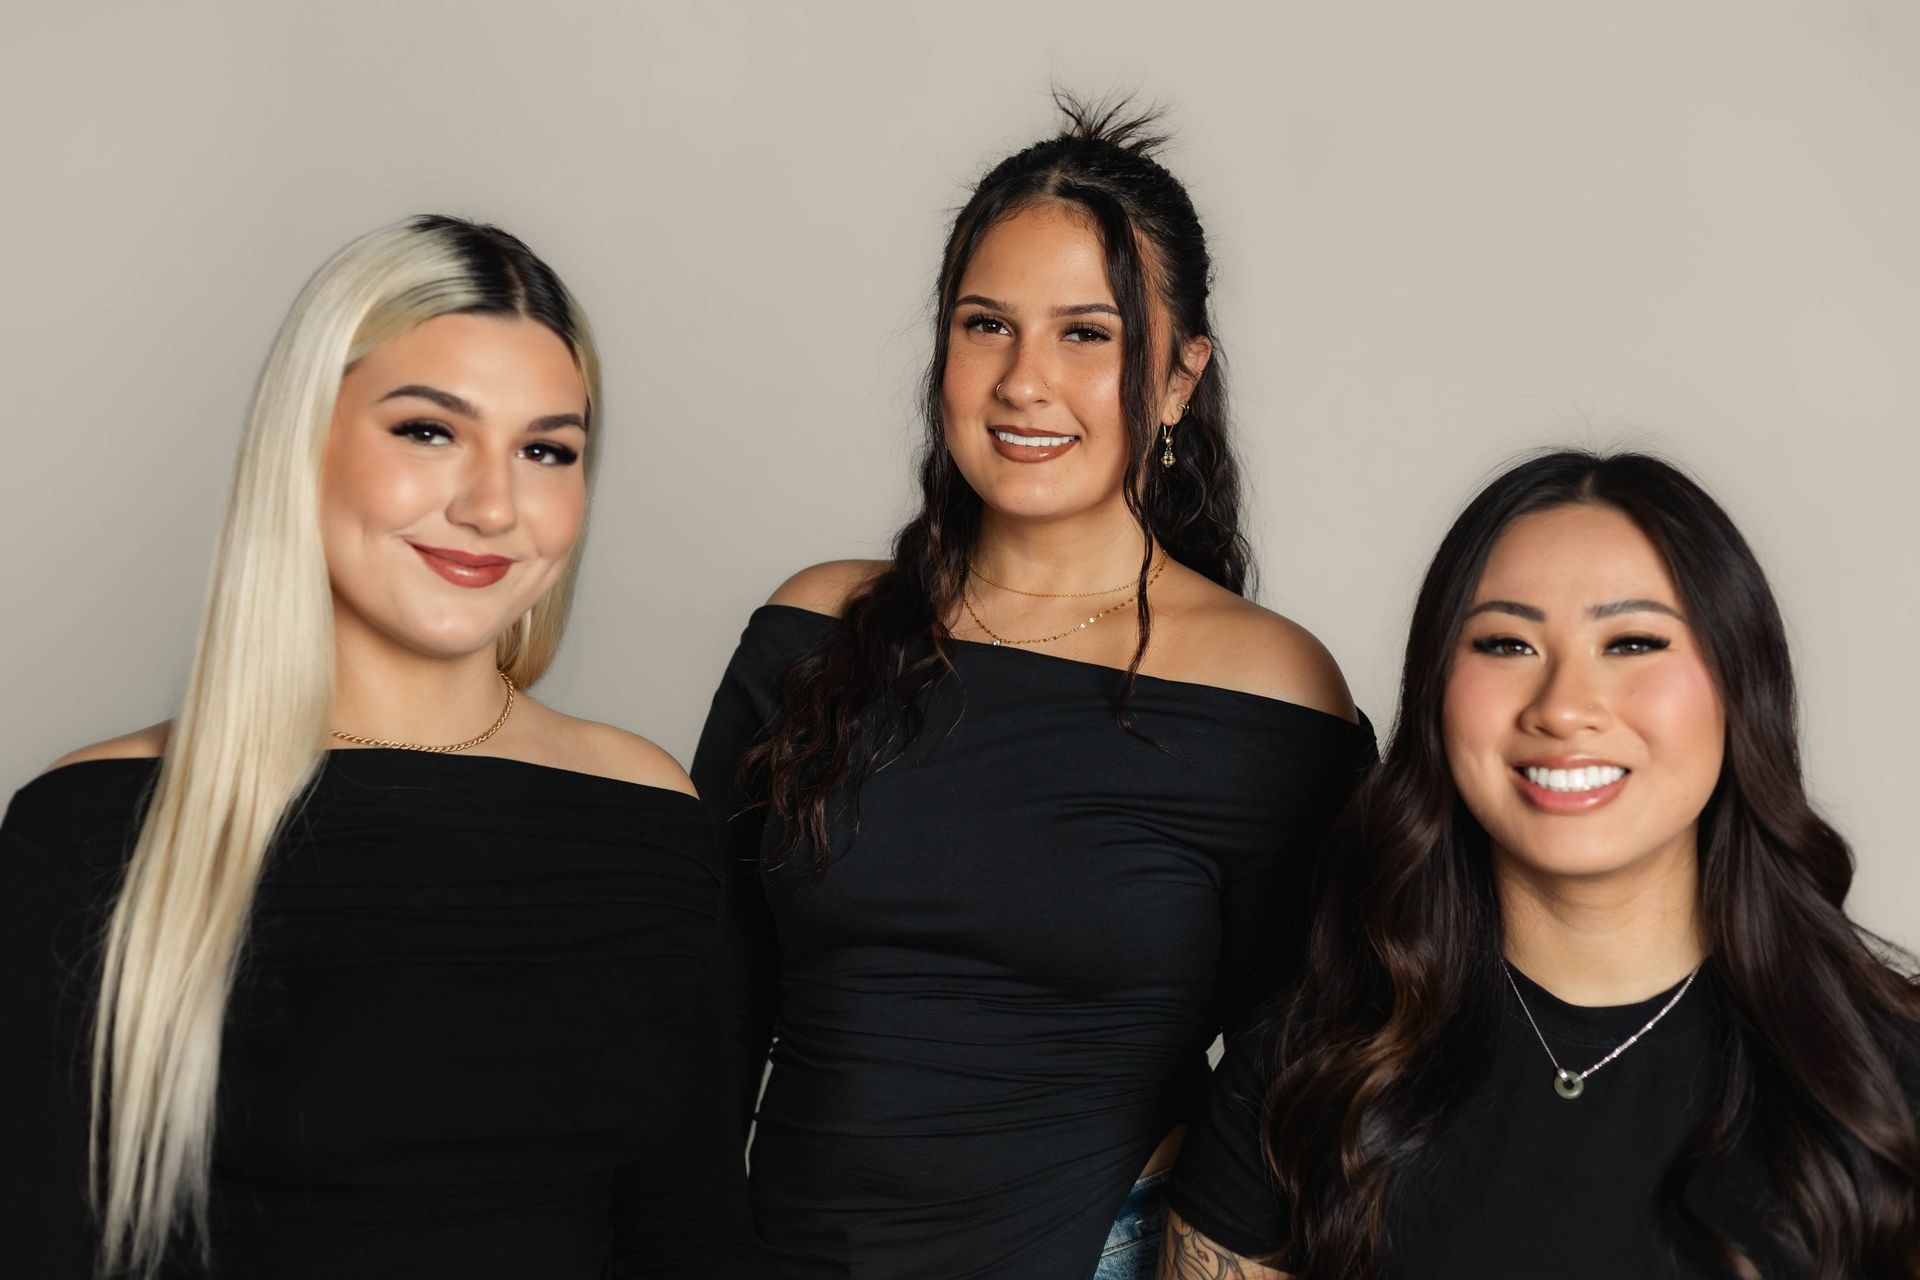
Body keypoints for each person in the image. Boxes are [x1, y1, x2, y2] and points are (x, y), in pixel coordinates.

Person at [0, 215, 758, 1278]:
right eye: (428, 430)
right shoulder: (86, 829)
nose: (493, 504)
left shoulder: (646, 814)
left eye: (546, 450)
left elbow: (695, 1234)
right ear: (301, 443)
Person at [692, 98, 1372, 1279]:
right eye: (987, 324)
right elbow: (694, 1001)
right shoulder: (813, 628)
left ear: (1177, 379)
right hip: (779, 1251)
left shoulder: (1272, 692)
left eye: (1087, 334)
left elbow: (1310, 1062)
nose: (1024, 380)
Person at [1163, 450, 1920, 1279]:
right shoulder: (1309, 1067)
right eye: (1506, 644)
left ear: (1741, 684)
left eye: (1631, 641)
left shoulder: (1885, 1078)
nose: (1562, 707)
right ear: (1437, 691)